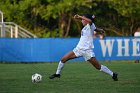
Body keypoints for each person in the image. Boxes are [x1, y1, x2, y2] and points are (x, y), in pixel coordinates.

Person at [49, 14, 118, 81]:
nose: (82, 20)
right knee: (63, 59)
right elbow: (95, 29)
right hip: (78, 49)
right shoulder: (87, 27)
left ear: (86, 20)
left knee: (98, 67)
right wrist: (100, 30)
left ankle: (113, 74)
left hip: (87, 51)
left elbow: (91, 22)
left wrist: (80, 16)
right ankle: (57, 73)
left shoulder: (90, 25)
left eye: (83, 19)